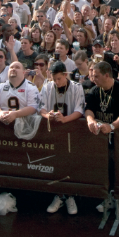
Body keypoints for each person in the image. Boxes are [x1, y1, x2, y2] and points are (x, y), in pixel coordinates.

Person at [85, 61, 119, 216]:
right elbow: (88, 109)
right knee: (105, 169)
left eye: (97, 76)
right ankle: (108, 197)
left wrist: (112, 126)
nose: (94, 79)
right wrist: (90, 120)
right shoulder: (94, 90)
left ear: (107, 75)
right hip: (101, 139)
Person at [40, 61, 86, 215]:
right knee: (55, 162)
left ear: (65, 75)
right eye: (54, 79)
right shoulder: (47, 87)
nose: (56, 82)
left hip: (71, 131)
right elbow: (41, 108)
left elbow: (80, 110)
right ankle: (59, 195)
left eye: (59, 79)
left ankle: (70, 196)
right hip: (54, 131)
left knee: (71, 164)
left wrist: (65, 119)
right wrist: (49, 116)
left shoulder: (77, 87)